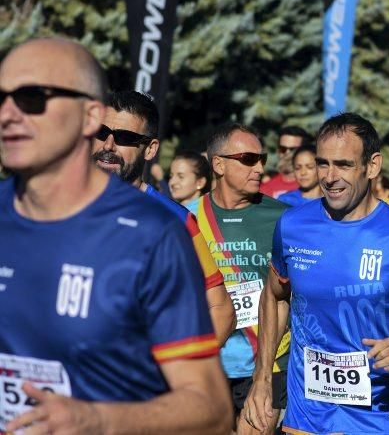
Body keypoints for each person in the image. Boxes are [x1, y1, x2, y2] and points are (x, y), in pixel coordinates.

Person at [0, 38, 231, 433]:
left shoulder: (155, 234)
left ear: (88, 115)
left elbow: (212, 411)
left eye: (32, 98)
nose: (8, 114)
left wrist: (98, 419)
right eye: (1, 97)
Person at [242, 112, 389, 434]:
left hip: (380, 414)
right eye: (323, 163)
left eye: (343, 164)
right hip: (308, 414)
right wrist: (262, 379)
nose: (330, 177)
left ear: (372, 166)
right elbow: (275, 297)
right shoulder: (292, 226)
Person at [92, 90, 235, 344]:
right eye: (101, 132)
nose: (108, 145)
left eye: (125, 138)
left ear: (150, 149)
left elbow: (220, 309)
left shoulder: (175, 220)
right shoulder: (55, 205)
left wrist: (181, 374)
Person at [196, 122, 291, 434]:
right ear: (219, 164)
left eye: (262, 159)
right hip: (208, 359)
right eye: (248, 159)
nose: (260, 167)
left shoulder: (284, 218)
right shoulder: (189, 216)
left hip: (269, 358)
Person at [259, 125, 313, 198]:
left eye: (293, 149)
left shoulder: (316, 187)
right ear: (278, 151)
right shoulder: (264, 189)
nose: (287, 153)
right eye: (283, 149)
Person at [169, 150, 213, 214]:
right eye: (171, 176)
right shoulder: (176, 211)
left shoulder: (202, 216)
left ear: (200, 182)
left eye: (181, 177)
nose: (172, 182)